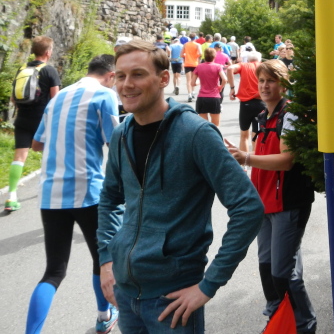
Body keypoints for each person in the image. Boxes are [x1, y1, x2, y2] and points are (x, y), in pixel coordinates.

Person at [97, 39, 264, 333]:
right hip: (126, 292)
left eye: (138, 74)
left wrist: (209, 284)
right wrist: (107, 259)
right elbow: (110, 199)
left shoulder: (196, 133)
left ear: (164, 78)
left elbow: (248, 207)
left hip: (172, 298)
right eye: (120, 76)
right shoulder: (121, 134)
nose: (126, 84)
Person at [26, 55, 119, 334]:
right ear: (111, 75)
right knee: (101, 259)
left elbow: (36, 144)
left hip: (50, 193)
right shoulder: (105, 95)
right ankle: (104, 316)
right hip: (88, 190)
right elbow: (115, 143)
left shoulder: (58, 98)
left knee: (54, 271)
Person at [228, 60, 316, 334]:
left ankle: (304, 325)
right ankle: (278, 320)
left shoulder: (291, 116)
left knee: (283, 273)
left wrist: (246, 157)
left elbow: (287, 160)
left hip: (288, 202)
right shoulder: (261, 116)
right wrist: (239, 159)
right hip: (263, 203)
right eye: (262, 81)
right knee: (267, 270)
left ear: (283, 84)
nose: (265, 86)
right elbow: (260, 158)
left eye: (271, 81)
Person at [4, 36, 60, 212]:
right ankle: (49, 191)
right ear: (48, 52)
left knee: (19, 157)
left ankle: (11, 196)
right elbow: (56, 100)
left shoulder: (22, 69)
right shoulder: (49, 71)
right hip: (42, 120)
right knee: (49, 154)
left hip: (22, 119)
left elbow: (13, 99)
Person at [227, 51, 265, 152]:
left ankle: (244, 160)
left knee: (244, 135)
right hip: (261, 103)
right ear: (259, 59)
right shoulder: (263, 66)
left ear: (248, 59)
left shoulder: (243, 65)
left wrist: (232, 88)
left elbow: (230, 68)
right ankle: (256, 159)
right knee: (256, 135)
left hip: (246, 104)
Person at [193, 48, 227, 126]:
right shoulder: (218, 66)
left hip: (202, 98)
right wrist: (221, 87)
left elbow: (192, 83)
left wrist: (199, 82)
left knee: (204, 125)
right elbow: (225, 79)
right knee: (215, 125)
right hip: (214, 97)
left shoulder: (199, 67)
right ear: (214, 57)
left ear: (204, 56)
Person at [182, 34, 202, 102]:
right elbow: (201, 53)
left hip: (187, 63)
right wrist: (196, 56)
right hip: (195, 64)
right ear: (195, 38)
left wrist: (186, 56)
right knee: (194, 79)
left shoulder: (185, 44)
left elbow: (181, 54)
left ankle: (189, 94)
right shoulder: (197, 45)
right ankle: (193, 91)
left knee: (188, 80)